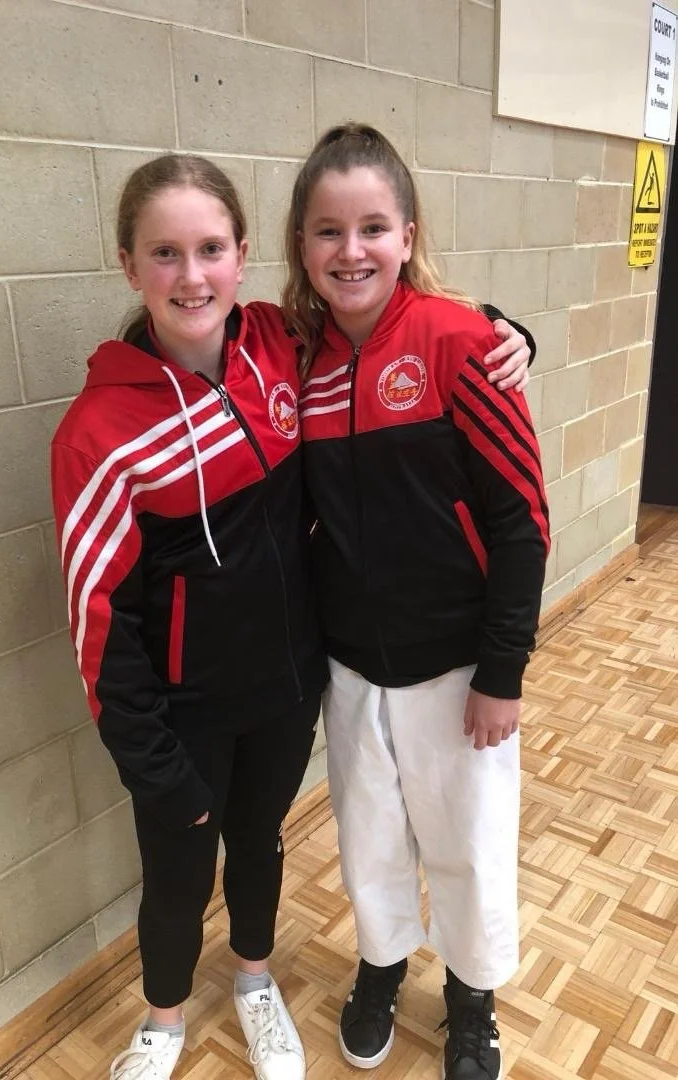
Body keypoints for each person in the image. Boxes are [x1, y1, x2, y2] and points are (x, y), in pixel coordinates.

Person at [50, 153, 533, 1080]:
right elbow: (98, 620)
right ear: (128, 264)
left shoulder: (278, 346)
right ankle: (167, 1023)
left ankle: (297, 986)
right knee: (204, 868)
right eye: (165, 253)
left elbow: (402, 326)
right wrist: (146, 755)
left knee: (298, 846)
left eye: (210, 249)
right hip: (215, 701)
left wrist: (503, 331)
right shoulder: (102, 429)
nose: (191, 275)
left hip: (305, 683)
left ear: (241, 256)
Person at [282, 124, 550, 1080]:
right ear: (301, 245)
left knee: (468, 844)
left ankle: (471, 997)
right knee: (371, 840)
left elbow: (522, 522)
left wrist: (503, 671)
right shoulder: (297, 359)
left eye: (372, 228)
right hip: (352, 663)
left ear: (407, 234)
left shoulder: (460, 344)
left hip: (458, 667)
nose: (350, 250)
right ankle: (383, 964)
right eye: (328, 231)